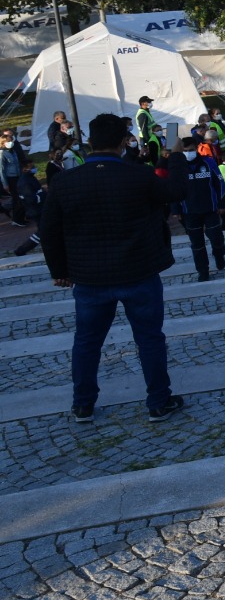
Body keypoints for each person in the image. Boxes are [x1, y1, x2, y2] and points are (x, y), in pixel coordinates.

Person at [40, 112, 188, 424]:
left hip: (90, 277)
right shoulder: (138, 176)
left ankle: (83, 404)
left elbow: (50, 231)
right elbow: (176, 191)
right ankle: (158, 402)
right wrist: (175, 155)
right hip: (139, 272)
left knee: (86, 342)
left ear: (89, 142)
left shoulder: (65, 182)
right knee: (149, 339)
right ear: (124, 142)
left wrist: (59, 271)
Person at [175, 137, 225, 281]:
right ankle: (203, 271)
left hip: (210, 208)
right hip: (189, 211)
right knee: (197, 244)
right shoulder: (178, 167)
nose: (188, 153)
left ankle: (219, 254)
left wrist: (222, 203)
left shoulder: (208, 162)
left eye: (191, 150)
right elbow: (174, 189)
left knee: (216, 238)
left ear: (197, 148)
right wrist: (176, 210)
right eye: (185, 151)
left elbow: (220, 183)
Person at [135, 96, 162, 164]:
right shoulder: (142, 114)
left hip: (151, 138)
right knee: (151, 157)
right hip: (146, 139)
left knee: (155, 155)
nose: (150, 103)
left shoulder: (146, 112)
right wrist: (146, 144)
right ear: (143, 103)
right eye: (148, 102)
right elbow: (144, 130)